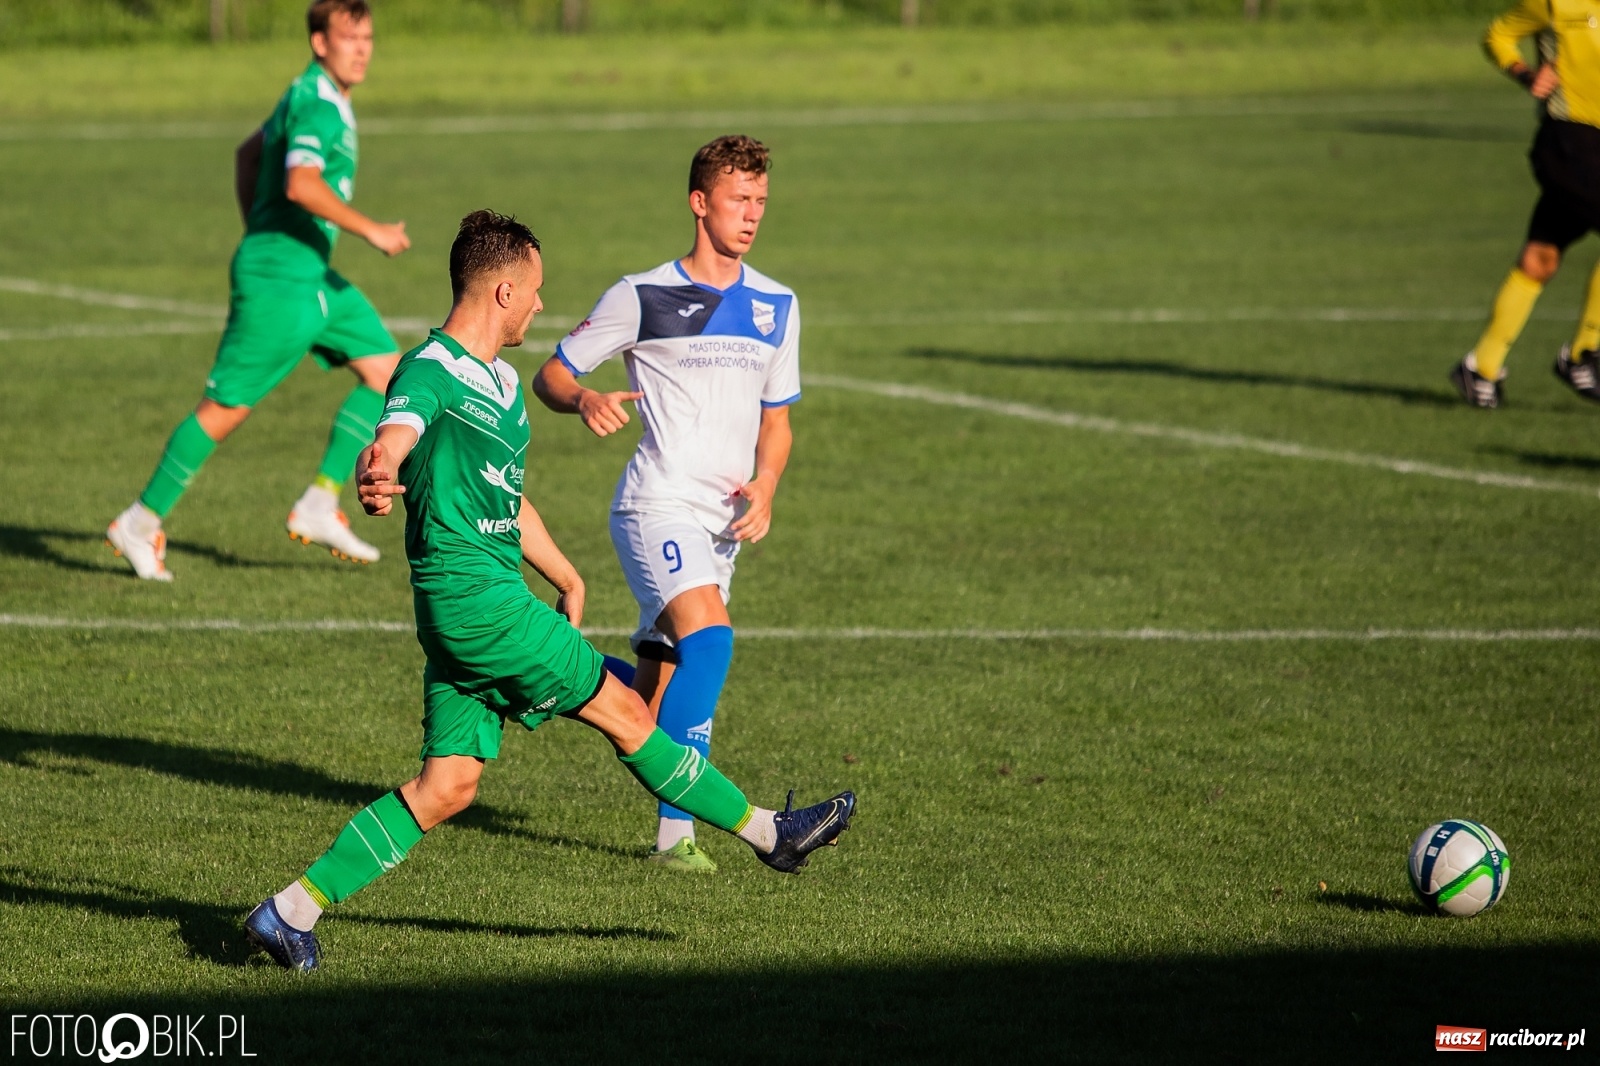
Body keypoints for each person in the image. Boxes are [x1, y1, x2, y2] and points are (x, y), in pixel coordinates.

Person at [243, 210, 854, 971]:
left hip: (473, 606)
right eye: (533, 292)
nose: (539, 307)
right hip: (479, 606)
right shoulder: (431, 372)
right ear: (502, 291)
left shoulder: (500, 381)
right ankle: (771, 833)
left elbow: (508, 498)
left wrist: (563, 571)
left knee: (448, 787)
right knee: (627, 711)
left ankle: (287, 911)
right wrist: (377, 468)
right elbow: (395, 430)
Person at [531, 135, 799, 873]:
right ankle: (721, 831)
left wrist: (767, 483)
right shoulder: (640, 295)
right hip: (657, 504)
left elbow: (777, 421)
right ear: (699, 202)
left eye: (761, 202)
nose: (752, 215)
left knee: (657, 700)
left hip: (724, 525)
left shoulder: (778, 304)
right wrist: (583, 397)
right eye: (739, 200)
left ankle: (548, 671)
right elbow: (550, 376)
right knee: (711, 643)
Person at [106, 0, 410, 580]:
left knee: (387, 371)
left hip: (312, 276)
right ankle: (140, 521)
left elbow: (248, 155)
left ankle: (321, 501)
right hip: (279, 282)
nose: (363, 48)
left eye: (368, 37)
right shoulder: (317, 104)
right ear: (320, 42)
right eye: (350, 37)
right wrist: (367, 228)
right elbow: (299, 183)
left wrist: (259, 226)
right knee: (224, 409)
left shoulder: (313, 95)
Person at [1452, 0, 1600, 408]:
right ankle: (1585, 354)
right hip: (1567, 141)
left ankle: (1480, 367)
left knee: (1540, 258)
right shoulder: (1553, 3)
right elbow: (1496, 35)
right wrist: (1525, 73)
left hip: (1595, 149)